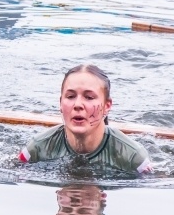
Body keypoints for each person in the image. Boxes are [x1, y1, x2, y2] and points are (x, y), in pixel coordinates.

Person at [18, 64, 152, 174]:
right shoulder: (36, 149)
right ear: (60, 103)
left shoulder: (134, 159)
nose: (77, 105)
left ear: (107, 106)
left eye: (89, 97)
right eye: (70, 97)